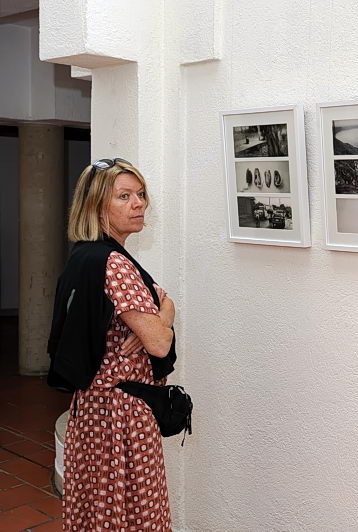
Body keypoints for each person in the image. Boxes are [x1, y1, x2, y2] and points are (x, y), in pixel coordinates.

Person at [47, 158, 177, 531]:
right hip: (122, 415)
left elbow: (161, 306)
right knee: (133, 514)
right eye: (124, 196)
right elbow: (158, 343)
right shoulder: (115, 264)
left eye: (140, 194)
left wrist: (164, 310)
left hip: (92, 407)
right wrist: (164, 318)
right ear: (96, 205)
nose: (139, 204)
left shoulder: (84, 255)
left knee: (97, 510)